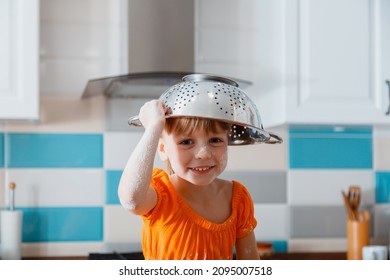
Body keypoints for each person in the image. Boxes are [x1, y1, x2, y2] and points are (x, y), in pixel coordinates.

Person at [118, 99, 260, 260]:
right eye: (186, 142)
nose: (204, 154)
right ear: (163, 150)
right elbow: (131, 200)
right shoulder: (160, 193)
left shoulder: (238, 198)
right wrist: (153, 127)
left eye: (215, 140)